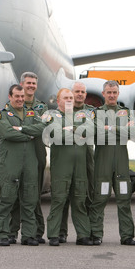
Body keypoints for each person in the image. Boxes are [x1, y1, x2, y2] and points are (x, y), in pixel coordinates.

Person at [0, 84, 45, 246]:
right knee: (6, 200)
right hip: (10, 164)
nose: (20, 99)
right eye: (17, 96)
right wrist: (28, 136)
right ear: (10, 97)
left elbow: (42, 128)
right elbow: (7, 133)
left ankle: (28, 235)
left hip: (30, 164)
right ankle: (3, 234)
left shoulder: (32, 113)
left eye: (22, 96)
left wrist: (22, 128)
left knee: (29, 200)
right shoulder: (2, 115)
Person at [43, 88, 94, 246]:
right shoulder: (52, 116)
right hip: (61, 166)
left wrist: (69, 130)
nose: (70, 100)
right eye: (66, 97)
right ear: (58, 101)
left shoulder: (83, 115)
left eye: (71, 97)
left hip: (79, 166)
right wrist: (78, 133)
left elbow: (91, 130)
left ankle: (83, 235)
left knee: (79, 199)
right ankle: (54, 234)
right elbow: (56, 135)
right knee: (59, 199)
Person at [88, 80, 135, 246]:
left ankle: (127, 236)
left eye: (114, 92)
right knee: (100, 198)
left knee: (124, 198)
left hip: (122, 162)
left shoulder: (126, 112)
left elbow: (132, 132)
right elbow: (95, 133)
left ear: (118, 93)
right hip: (103, 162)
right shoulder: (96, 113)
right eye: (109, 92)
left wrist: (110, 128)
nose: (112, 95)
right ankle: (96, 234)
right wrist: (121, 130)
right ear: (103, 94)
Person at [9, 72, 49, 244]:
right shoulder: (13, 105)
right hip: (18, 156)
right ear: (21, 84)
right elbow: (10, 127)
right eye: (28, 83)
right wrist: (31, 129)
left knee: (35, 196)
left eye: (34, 83)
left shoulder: (42, 107)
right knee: (16, 196)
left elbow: (43, 127)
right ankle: (12, 232)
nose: (31, 86)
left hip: (37, 155)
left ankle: (36, 232)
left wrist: (23, 129)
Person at [59, 82, 96, 243]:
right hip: (67, 158)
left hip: (87, 157)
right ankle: (61, 232)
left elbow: (93, 130)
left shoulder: (91, 112)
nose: (79, 94)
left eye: (82, 92)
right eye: (76, 92)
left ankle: (87, 232)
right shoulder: (64, 112)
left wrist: (72, 129)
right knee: (64, 197)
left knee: (86, 194)